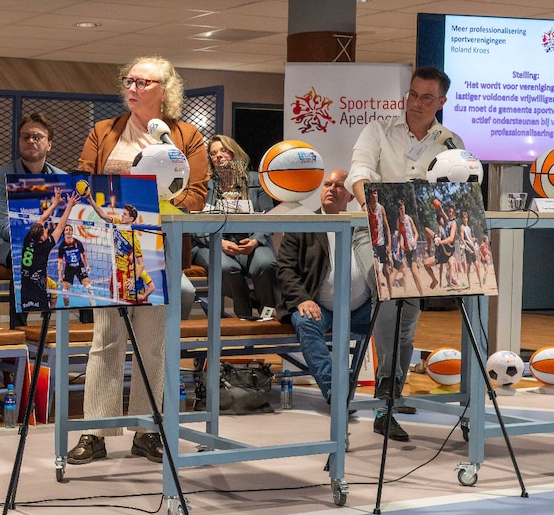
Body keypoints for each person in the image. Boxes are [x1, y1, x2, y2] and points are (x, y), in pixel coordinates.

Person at [68, 55, 208, 465]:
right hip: (108, 249)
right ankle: (95, 432)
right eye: (129, 80)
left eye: (143, 82)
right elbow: (81, 183)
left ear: (165, 90)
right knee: (105, 341)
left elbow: (196, 195)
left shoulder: (187, 136)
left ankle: (148, 430)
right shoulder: (103, 131)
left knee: (152, 344)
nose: (133, 88)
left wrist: (153, 202)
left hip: (160, 250)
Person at [347, 66, 467, 442]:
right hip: (372, 231)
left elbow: (460, 189)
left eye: (426, 98)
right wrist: (381, 203)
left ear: (441, 102)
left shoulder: (450, 142)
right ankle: (387, 393)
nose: (416, 103)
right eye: (413, 95)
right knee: (392, 289)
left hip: (419, 240)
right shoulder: (379, 130)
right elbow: (358, 174)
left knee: (407, 309)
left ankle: (391, 394)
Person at [276, 170, 376, 403]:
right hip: (321, 307)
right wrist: (302, 299)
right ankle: (336, 393)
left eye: (339, 186)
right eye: (327, 184)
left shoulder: (364, 225)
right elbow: (284, 269)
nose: (331, 189)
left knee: (394, 318)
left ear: (352, 196)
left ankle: (388, 392)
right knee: (304, 321)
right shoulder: (304, 224)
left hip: (364, 307)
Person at [192, 135, 277, 319]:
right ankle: (244, 315)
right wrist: (219, 242)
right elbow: (196, 224)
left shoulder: (256, 181)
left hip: (250, 240)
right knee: (226, 268)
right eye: (213, 153)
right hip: (212, 242)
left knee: (265, 264)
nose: (219, 156)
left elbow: (269, 217)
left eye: (224, 150)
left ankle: (267, 313)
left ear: (235, 153)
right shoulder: (206, 185)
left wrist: (254, 241)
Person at [0, 113, 65, 267]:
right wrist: (37, 234)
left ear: (49, 144)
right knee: (31, 260)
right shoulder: (1, 176)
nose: (30, 140)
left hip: (48, 242)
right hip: (10, 245)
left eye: (37, 137)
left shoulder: (61, 178)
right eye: (25, 137)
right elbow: (1, 225)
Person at [17, 187, 78, 312]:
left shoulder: (28, 238)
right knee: (44, 314)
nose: (46, 234)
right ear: (41, 239)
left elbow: (42, 219)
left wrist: (55, 203)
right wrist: (69, 206)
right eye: (44, 234)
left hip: (25, 285)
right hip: (38, 288)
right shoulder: (44, 246)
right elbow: (61, 227)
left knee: (24, 313)